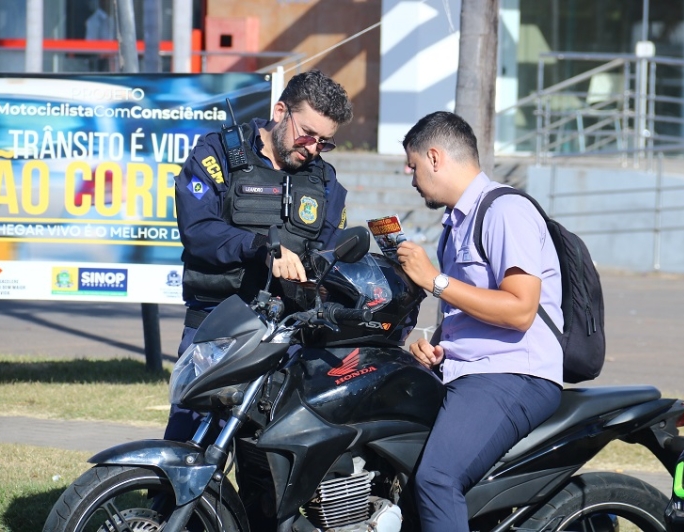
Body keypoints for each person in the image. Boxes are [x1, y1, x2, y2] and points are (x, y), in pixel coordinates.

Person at [394, 111, 563, 532]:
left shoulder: (506, 210)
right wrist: (433, 341)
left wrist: (434, 280)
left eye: (412, 165)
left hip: (512, 372)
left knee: (436, 478)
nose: (408, 175)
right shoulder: (454, 225)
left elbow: (520, 310)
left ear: (435, 157)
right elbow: (470, 307)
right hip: (465, 368)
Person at [164, 69, 353, 441]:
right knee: (189, 444)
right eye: (307, 134)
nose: (312, 148)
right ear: (281, 111)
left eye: (324, 142)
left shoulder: (326, 182)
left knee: (267, 458)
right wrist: (263, 248)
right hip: (218, 325)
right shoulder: (217, 152)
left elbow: (331, 253)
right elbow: (197, 230)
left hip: (288, 334)